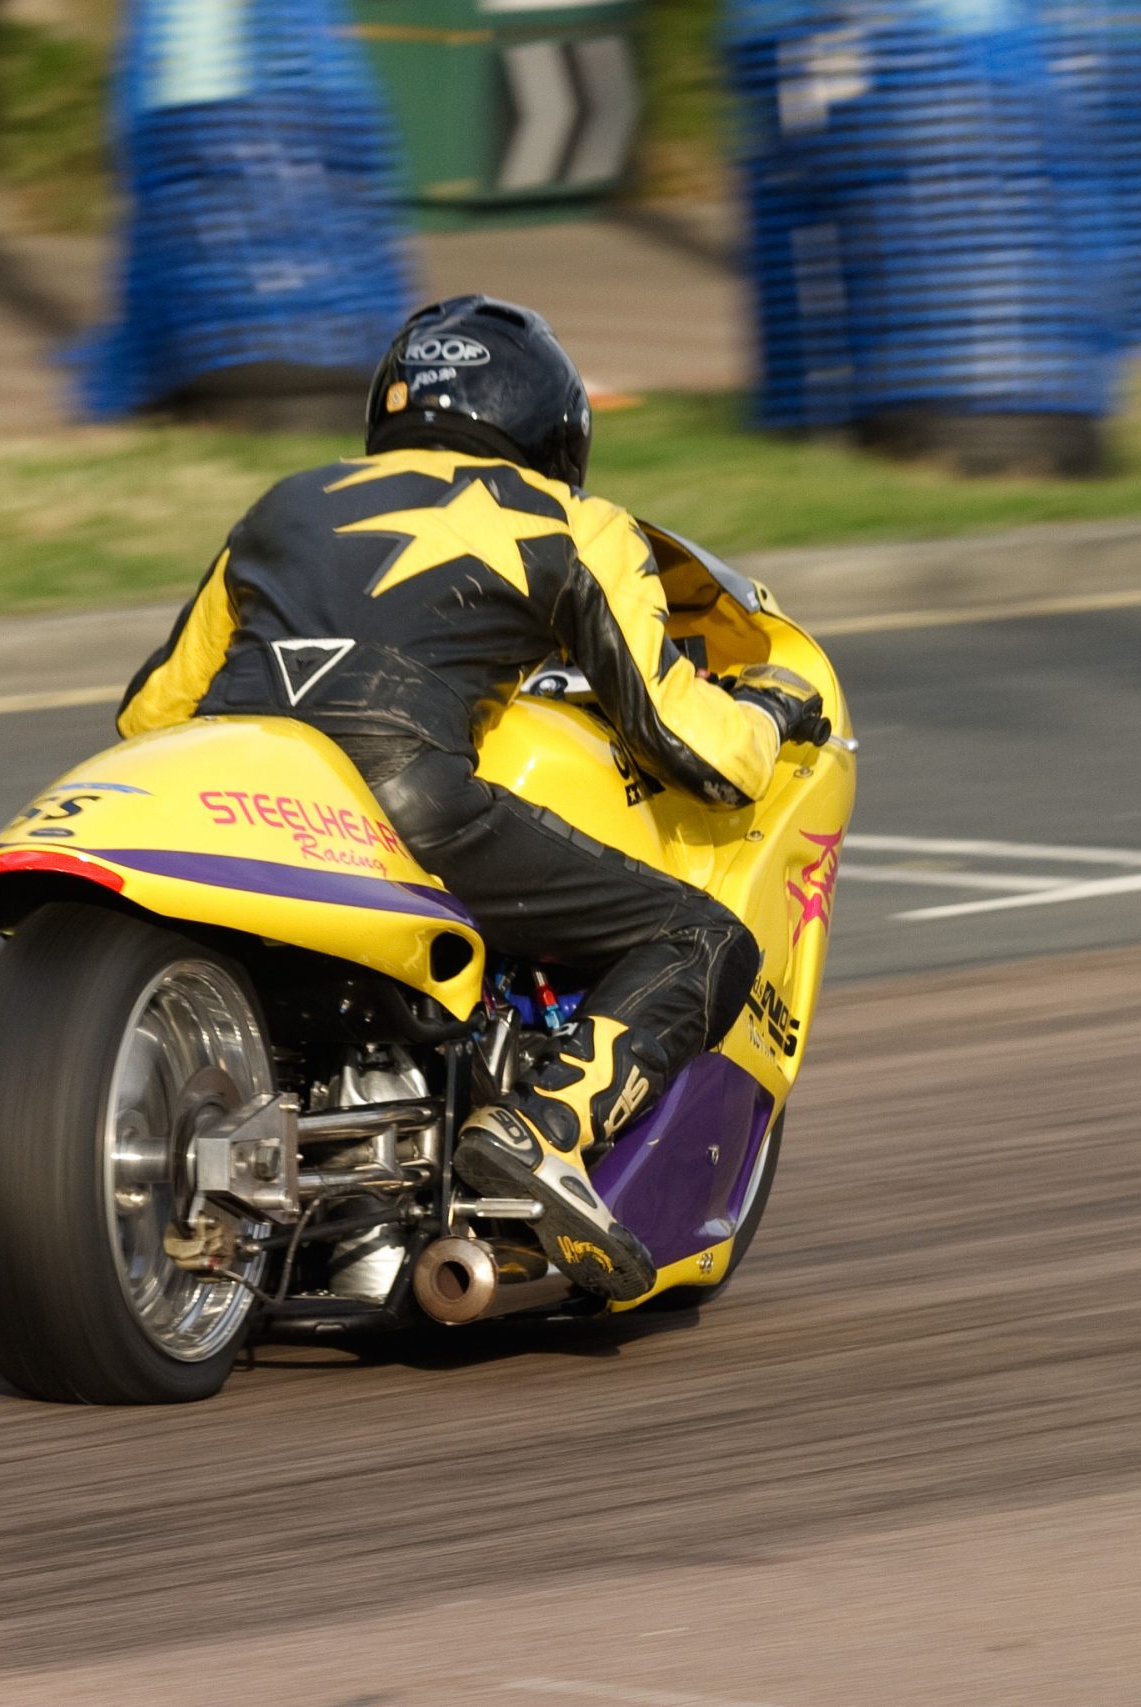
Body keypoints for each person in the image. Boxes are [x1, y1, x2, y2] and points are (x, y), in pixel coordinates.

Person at [116, 295, 829, 1300]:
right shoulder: (576, 524)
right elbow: (694, 748)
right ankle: (540, 1127)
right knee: (702, 941)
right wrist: (770, 707)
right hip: (402, 790)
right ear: (554, 430)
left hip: (235, 787)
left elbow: (153, 712)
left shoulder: (283, 504)